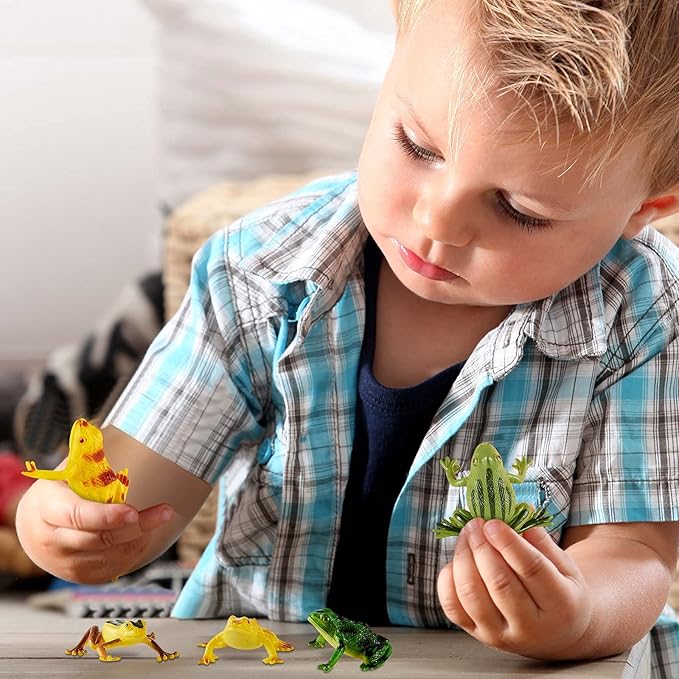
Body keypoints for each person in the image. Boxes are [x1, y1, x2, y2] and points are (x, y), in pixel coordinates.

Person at [15, 0, 679, 672]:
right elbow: (132, 490)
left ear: (646, 209)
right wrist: (69, 524)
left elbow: (634, 553)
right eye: (418, 147)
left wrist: (578, 614)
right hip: (270, 653)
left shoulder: (642, 310)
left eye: (519, 209)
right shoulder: (258, 268)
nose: (437, 222)